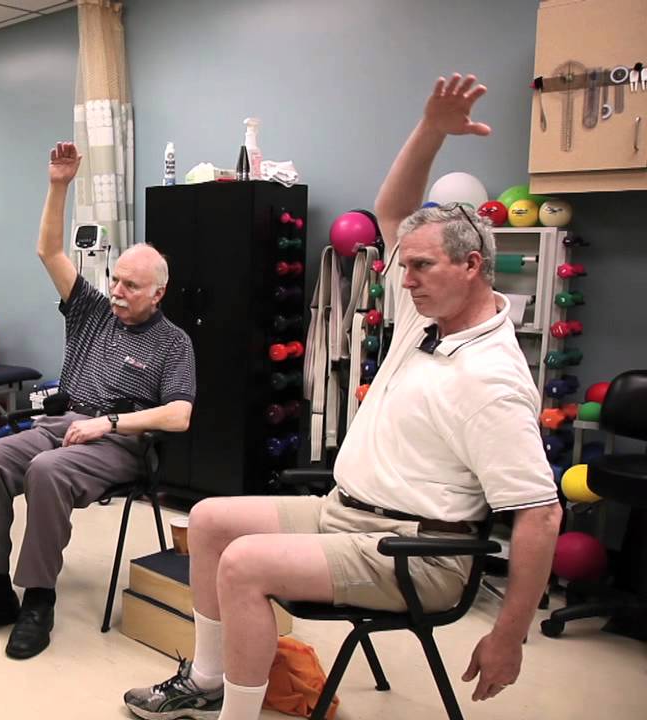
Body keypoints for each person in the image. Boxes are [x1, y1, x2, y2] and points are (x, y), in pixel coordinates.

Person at [124, 73, 563, 720]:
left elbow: (541, 516)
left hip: (417, 552)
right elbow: (394, 210)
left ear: (472, 266)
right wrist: (431, 129)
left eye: (421, 267)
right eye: (403, 265)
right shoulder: (427, 317)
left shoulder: (492, 376)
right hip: (347, 514)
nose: (404, 279)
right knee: (211, 520)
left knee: (243, 564)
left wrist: (509, 636)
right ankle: (210, 680)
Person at [0, 142, 196, 659]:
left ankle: (39, 599)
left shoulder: (174, 343)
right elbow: (49, 251)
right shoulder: (91, 310)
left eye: (131, 286)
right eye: (115, 280)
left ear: (158, 294)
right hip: (61, 425)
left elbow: (179, 415)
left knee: (47, 471)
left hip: (120, 444)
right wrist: (59, 184)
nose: (118, 290)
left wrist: (110, 423)